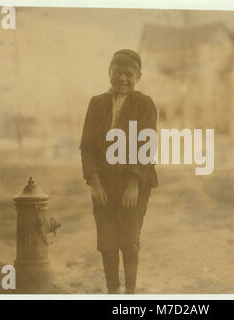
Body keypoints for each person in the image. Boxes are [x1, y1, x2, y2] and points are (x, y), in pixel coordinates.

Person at [80, 49, 158, 294]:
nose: (123, 78)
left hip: (134, 183)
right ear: (109, 73)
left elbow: (147, 145)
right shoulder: (97, 103)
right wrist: (94, 182)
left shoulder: (144, 103)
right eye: (118, 72)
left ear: (138, 76)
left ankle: (130, 293)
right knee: (107, 242)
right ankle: (113, 292)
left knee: (129, 240)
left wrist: (134, 184)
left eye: (129, 74)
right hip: (103, 183)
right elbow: (88, 145)